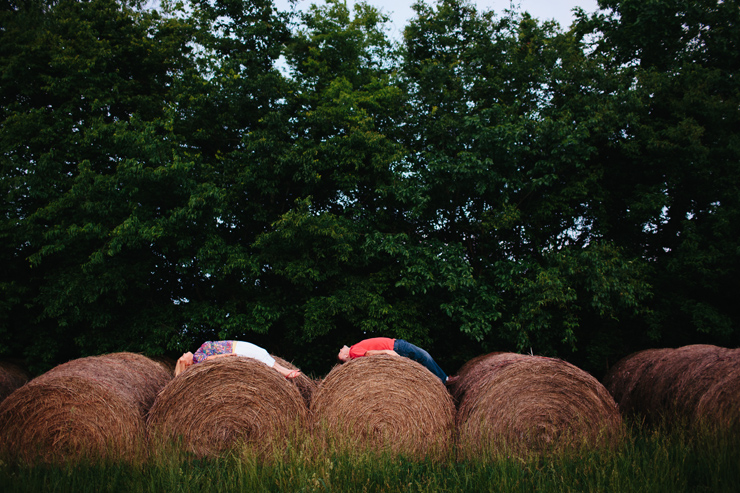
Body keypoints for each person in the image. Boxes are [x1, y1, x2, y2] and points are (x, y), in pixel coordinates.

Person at [337, 337, 454, 384]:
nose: (341, 349)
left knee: (421, 362)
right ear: (346, 356)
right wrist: (386, 351)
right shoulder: (353, 352)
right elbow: (369, 353)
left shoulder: (354, 348)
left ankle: (438, 382)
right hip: (395, 347)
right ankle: (444, 379)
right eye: (340, 352)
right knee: (424, 356)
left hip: (395, 345)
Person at [175, 340, 301, 379]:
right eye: (183, 355)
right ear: (186, 362)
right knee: (260, 357)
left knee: (262, 353)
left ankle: (283, 371)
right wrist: (227, 356)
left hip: (235, 346)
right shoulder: (198, 359)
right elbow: (210, 359)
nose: (185, 353)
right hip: (235, 350)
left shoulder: (197, 354)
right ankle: (284, 373)